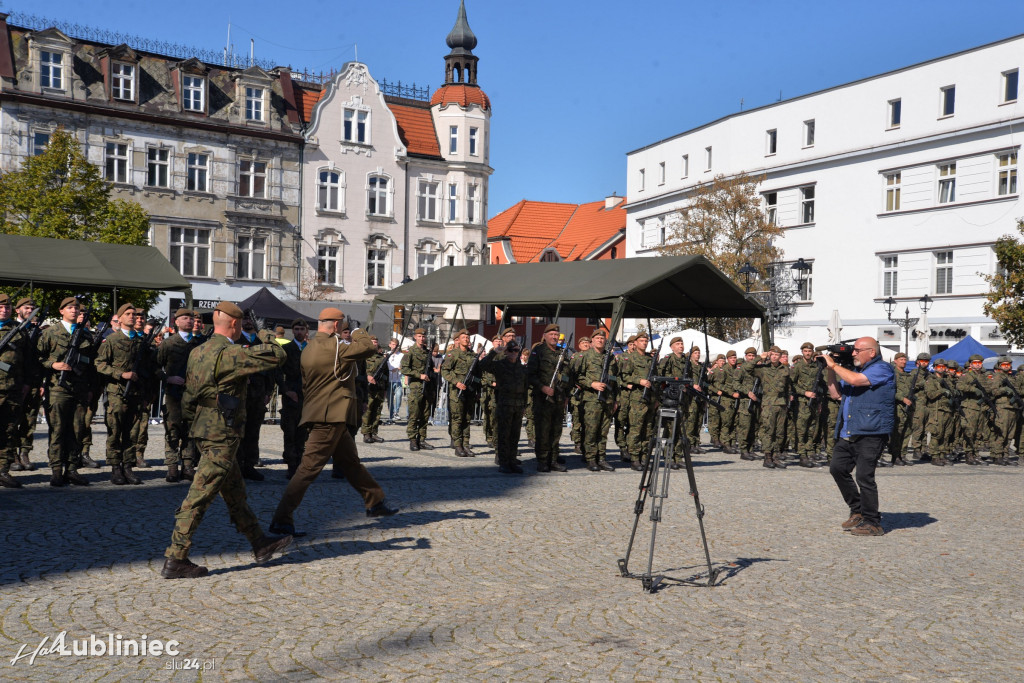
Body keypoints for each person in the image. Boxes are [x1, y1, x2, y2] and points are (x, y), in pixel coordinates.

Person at [160, 301, 290, 579]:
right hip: (222, 433)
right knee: (200, 495)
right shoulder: (229, 354)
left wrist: (196, 424)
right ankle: (176, 557)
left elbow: (189, 398)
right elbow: (278, 355)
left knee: (234, 493)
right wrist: (266, 333)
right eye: (242, 324)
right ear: (236, 324)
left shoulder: (198, 351)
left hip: (204, 429)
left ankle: (260, 542)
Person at [269, 307, 397, 536]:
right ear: (337, 326)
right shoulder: (335, 347)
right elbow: (368, 347)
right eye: (343, 326)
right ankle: (281, 518)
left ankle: (375, 500)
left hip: (324, 413)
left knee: (349, 463)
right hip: (330, 417)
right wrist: (358, 330)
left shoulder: (309, 348)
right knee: (307, 469)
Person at [823, 336, 894, 537]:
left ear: (872, 352)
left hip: (872, 432)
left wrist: (835, 366)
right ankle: (858, 510)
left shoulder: (882, 369)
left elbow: (855, 381)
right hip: (849, 430)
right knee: (837, 469)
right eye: (853, 350)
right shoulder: (855, 371)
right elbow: (836, 394)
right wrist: (830, 371)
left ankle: (873, 522)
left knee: (864, 476)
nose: (853, 353)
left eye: (857, 350)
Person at [37, 296, 94, 487]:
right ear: (61, 311)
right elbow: (38, 358)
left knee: (77, 430)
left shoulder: (85, 335)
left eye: (76, 308)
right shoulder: (51, 333)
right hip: (58, 388)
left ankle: (71, 469)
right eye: (69, 308)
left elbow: (90, 364)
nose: (74, 311)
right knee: (58, 430)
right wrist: (53, 364)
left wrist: (90, 388)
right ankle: (56, 470)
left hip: (79, 388)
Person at [95, 303, 150, 485]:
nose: (132, 317)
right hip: (116, 393)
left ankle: (128, 466)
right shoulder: (111, 340)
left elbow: (148, 368)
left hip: (135, 393)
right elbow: (100, 364)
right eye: (128, 314)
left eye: (134, 314)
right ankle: (115, 467)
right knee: (115, 431)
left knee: (132, 432)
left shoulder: (141, 342)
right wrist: (120, 374)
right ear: (120, 318)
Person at [157, 308, 203, 482]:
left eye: (191, 318)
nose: (189, 321)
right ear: (176, 322)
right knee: (172, 430)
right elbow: (154, 367)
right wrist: (168, 378)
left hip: (193, 395)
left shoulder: (200, 343)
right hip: (174, 395)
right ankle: (171, 467)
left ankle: (188, 466)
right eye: (185, 318)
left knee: (191, 431)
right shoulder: (168, 344)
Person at [478, 340, 528, 473]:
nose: (513, 353)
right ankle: (503, 462)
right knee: (503, 435)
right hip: (505, 404)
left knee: (515, 435)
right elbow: (482, 365)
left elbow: (525, 387)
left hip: (518, 406)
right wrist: (494, 352)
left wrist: (524, 405)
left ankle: (512, 461)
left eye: (516, 350)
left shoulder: (521, 368)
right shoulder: (500, 365)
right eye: (511, 350)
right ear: (506, 352)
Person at [528, 324, 571, 472]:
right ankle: (542, 460)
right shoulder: (538, 351)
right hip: (542, 399)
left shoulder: (562, 353)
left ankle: (553, 460)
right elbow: (530, 375)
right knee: (543, 431)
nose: (554, 337)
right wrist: (543, 387)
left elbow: (568, 375)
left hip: (559, 398)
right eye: (551, 334)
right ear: (545, 335)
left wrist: (566, 394)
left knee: (556, 431)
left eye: (556, 334)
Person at [0, 293, 31, 488]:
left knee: (9, 431)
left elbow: (29, 361)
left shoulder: (19, 331)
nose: (4, 310)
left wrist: (27, 383)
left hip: (12, 388)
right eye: (0, 307)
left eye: (8, 307)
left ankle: (3, 470)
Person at [575, 328, 617, 472]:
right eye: (597, 338)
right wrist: (592, 384)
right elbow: (578, 376)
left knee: (603, 431)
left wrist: (615, 400)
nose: (600, 340)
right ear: (592, 340)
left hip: (608, 399)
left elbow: (615, 379)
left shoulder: (610, 358)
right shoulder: (584, 356)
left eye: (602, 338)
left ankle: (602, 458)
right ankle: (591, 459)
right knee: (591, 430)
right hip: (592, 399)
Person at [11, 297, 43, 474]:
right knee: (11, 419)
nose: (30, 310)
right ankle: (12, 455)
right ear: (18, 310)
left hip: (33, 382)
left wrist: (40, 382)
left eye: (32, 307)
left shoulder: (38, 331)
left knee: (29, 420)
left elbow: (40, 359)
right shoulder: (12, 329)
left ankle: (24, 453)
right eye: (26, 307)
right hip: (14, 382)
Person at [441, 328, 480, 456]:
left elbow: (478, 374)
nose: (466, 339)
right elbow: (445, 371)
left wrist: (477, 388)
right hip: (456, 393)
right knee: (457, 419)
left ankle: (466, 444)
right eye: (464, 337)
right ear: (458, 339)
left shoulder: (473, 355)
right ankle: (458, 446)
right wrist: (456, 382)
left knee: (467, 419)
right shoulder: (453, 354)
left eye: (468, 337)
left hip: (470, 391)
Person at [278, 318, 309, 477]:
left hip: (307, 397)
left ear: (306, 331)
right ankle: (291, 465)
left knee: (303, 433)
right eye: (296, 329)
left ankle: (300, 464)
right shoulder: (286, 349)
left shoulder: (311, 349)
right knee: (290, 432)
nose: (299, 332)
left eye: (301, 329)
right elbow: (278, 372)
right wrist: (285, 390)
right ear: (292, 331)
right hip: (291, 396)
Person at [401, 328, 434, 451]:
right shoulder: (410, 352)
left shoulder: (427, 352)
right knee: (414, 414)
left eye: (423, 336)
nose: (422, 338)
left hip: (427, 388)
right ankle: (413, 440)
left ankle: (422, 439)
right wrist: (419, 375)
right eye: (419, 336)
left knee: (425, 415)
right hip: (416, 387)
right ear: (415, 337)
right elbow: (404, 369)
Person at [361, 335, 387, 443]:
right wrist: (367, 376)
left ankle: (374, 432)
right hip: (368, 388)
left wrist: (386, 389)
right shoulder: (363, 357)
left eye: (376, 342)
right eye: (372, 341)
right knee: (368, 410)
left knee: (377, 411)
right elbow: (359, 371)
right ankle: (366, 433)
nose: (374, 343)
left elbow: (386, 375)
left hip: (379, 388)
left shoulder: (382, 358)